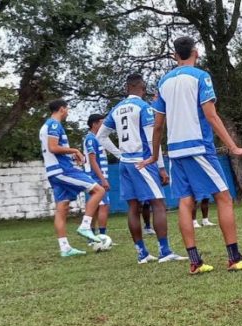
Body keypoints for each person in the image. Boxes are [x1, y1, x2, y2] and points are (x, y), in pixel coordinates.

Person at [141, 36, 242, 274]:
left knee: (185, 202)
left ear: (175, 55)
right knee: (224, 198)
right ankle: (234, 258)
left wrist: (154, 155)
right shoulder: (201, 77)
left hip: (175, 152)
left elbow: (157, 126)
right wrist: (233, 147)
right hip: (198, 147)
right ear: (195, 52)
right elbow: (211, 115)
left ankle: (195, 262)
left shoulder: (163, 82)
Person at [97, 74, 186, 264]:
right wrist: (161, 168)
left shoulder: (117, 109)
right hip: (142, 163)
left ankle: (142, 253)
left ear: (126, 88)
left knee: (133, 207)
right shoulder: (144, 108)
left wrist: (120, 154)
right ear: (143, 89)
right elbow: (151, 139)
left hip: (125, 164)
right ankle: (165, 251)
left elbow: (101, 136)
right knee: (158, 204)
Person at [38, 99, 106, 257]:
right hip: (62, 170)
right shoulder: (54, 124)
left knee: (62, 209)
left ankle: (65, 248)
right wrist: (75, 150)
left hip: (53, 171)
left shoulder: (45, 126)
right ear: (62, 109)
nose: (68, 112)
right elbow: (53, 147)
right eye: (67, 109)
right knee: (99, 190)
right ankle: (85, 226)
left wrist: (70, 154)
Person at [83, 113, 117, 240]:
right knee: (103, 206)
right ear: (94, 124)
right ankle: (101, 236)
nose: (104, 125)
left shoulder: (98, 138)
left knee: (96, 207)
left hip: (97, 177)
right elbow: (92, 160)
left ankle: (91, 236)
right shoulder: (91, 139)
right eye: (102, 122)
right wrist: (103, 179)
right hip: (94, 177)